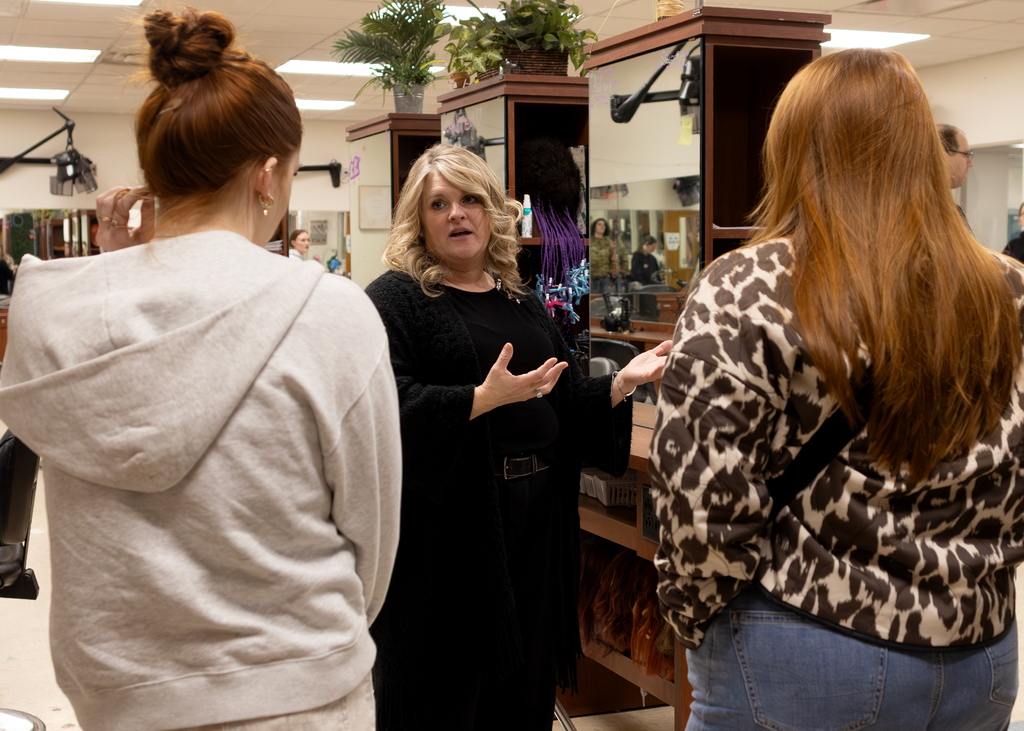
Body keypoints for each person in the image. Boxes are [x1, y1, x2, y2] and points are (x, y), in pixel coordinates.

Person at [0, 8, 401, 731]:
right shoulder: (328, 313)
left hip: (118, 699)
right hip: (297, 694)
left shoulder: (49, 316)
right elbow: (371, 543)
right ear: (269, 175)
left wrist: (118, 257)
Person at [651, 48, 1024, 731]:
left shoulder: (743, 286)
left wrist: (691, 613)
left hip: (802, 637)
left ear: (794, 150)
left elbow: (703, 502)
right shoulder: (1004, 287)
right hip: (981, 648)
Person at [364, 144, 671, 731]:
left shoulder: (520, 299)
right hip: (452, 533)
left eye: (471, 200)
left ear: (492, 213)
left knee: (524, 685)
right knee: (452, 690)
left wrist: (620, 384)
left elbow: (557, 396)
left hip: (540, 522)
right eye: (439, 203)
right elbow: (384, 408)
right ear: (418, 219)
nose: (458, 214)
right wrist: (480, 401)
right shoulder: (395, 299)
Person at [938, 122, 973, 228]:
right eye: (966, 155)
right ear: (942, 154)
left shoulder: (955, 212)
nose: (970, 163)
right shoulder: (914, 213)